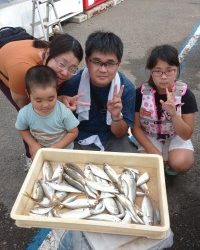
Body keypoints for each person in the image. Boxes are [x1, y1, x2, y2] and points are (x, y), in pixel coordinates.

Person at [0, 33, 83, 168]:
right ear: (48, 53)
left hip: (23, 52)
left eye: (72, 69)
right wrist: (33, 144)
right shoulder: (22, 71)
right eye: (62, 64)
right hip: (9, 63)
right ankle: (31, 157)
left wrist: (60, 99)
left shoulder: (53, 58)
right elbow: (25, 108)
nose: (65, 73)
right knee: (33, 115)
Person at [59, 31, 136, 153]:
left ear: (118, 64)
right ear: (87, 61)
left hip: (112, 138)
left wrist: (116, 117)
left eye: (110, 63)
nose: (103, 69)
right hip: (77, 135)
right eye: (96, 61)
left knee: (128, 165)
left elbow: (120, 133)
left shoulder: (126, 89)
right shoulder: (71, 84)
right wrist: (60, 102)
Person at [131, 44, 198, 175]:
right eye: (158, 70)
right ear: (151, 71)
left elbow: (186, 134)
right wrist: (154, 152)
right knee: (147, 165)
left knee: (181, 162)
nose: (163, 76)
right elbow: (135, 127)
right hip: (150, 135)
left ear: (177, 70)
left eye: (169, 70)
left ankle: (171, 163)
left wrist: (173, 114)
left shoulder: (186, 95)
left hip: (175, 135)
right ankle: (158, 155)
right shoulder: (140, 93)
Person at [15, 65, 79, 164]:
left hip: (65, 151)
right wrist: (32, 144)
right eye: (38, 100)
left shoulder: (63, 111)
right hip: (40, 153)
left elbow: (73, 132)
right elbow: (22, 129)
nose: (45, 105)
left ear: (56, 92)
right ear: (28, 94)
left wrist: (57, 147)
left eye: (51, 98)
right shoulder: (24, 113)